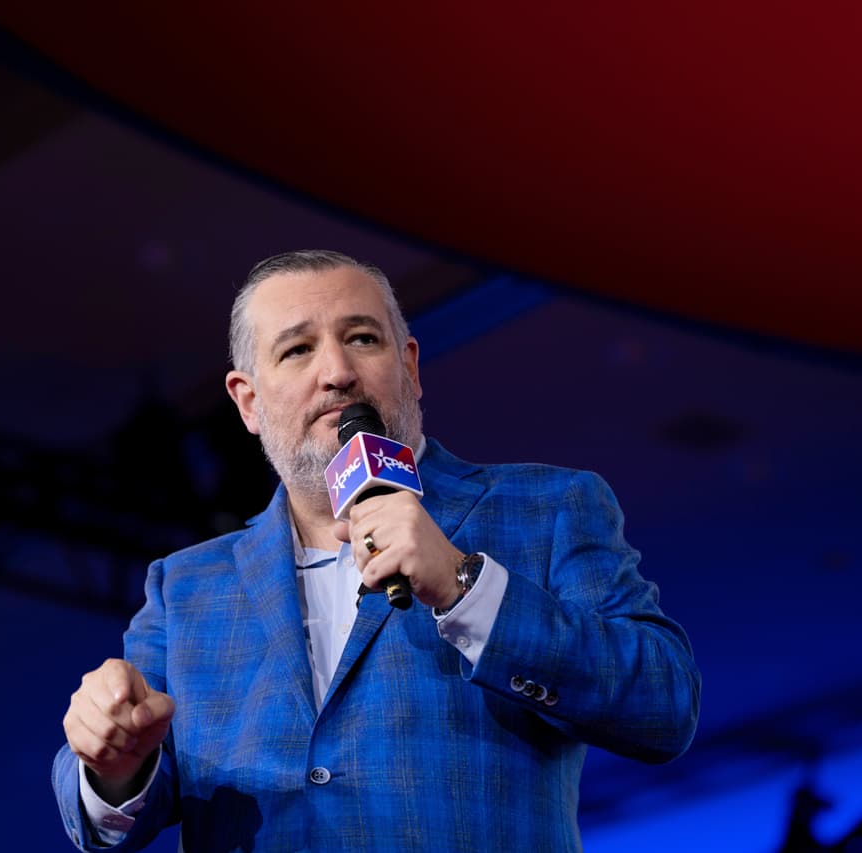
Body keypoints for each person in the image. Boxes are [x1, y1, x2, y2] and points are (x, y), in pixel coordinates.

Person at [53, 250, 700, 851]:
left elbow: (664, 705)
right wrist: (112, 764)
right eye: (297, 349)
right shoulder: (187, 587)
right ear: (248, 402)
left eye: (362, 338)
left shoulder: (547, 508)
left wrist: (465, 585)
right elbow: (108, 804)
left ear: (410, 367)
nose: (337, 373)